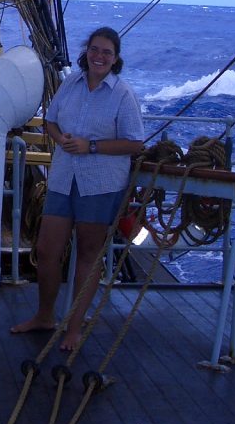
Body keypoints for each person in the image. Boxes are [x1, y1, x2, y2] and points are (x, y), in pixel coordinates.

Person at [11, 27, 145, 351]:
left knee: (88, 253)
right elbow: (51, 120)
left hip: (100, 184)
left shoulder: (122, 94)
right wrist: (61, 139)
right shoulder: (71, 83)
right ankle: (45, 316)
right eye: (95, 49)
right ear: (86, 52)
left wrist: (91, 146)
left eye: (107, 52)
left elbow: (135, 143)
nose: (99, 57)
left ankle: (73, 327)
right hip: (63, 178)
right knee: (47, 250)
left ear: (116, 59)